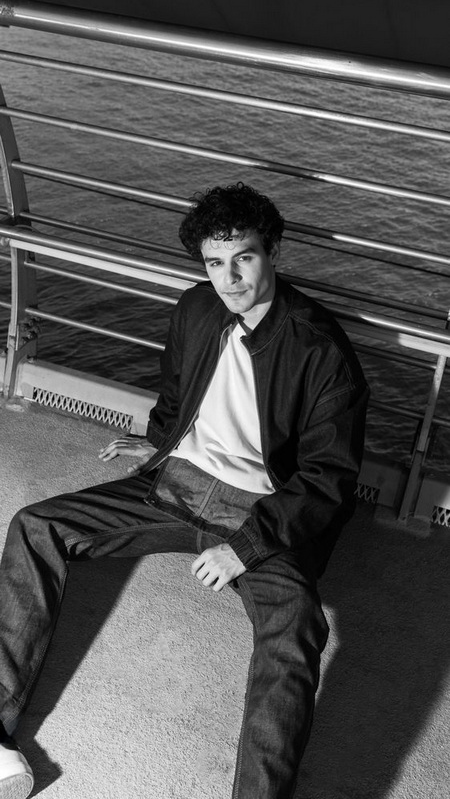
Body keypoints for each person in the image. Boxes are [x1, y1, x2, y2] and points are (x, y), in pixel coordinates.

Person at [0, 182, 369, 799]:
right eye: (214, 263)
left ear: (273, 252)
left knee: (295, 630)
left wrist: (244, 548)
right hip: (177, 482)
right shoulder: (197, 309)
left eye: (244, 258)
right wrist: (160, 441)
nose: (230, 279)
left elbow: (327, 480)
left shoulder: (321, 350)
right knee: (36, 525)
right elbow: (176, 392)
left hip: (262, 510)